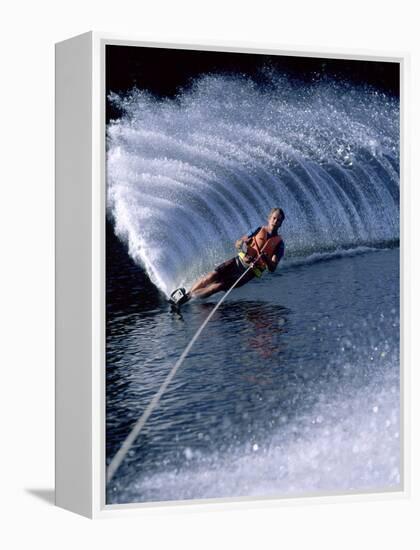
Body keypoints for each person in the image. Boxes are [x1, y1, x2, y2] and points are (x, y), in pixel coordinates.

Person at [169, 208, 285, 305]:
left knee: (218, 286)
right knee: (211, 276)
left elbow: (273, 267)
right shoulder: (258, 230)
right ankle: (186, 295)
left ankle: (187, 299)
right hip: (237, 261)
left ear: (281, 223)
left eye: (278, 220)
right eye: (274, 218)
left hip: (249, 273)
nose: (275, 221)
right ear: (269, 218)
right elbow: (238, 243)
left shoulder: (279, 244)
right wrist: (243, 247)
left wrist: (266, 259)